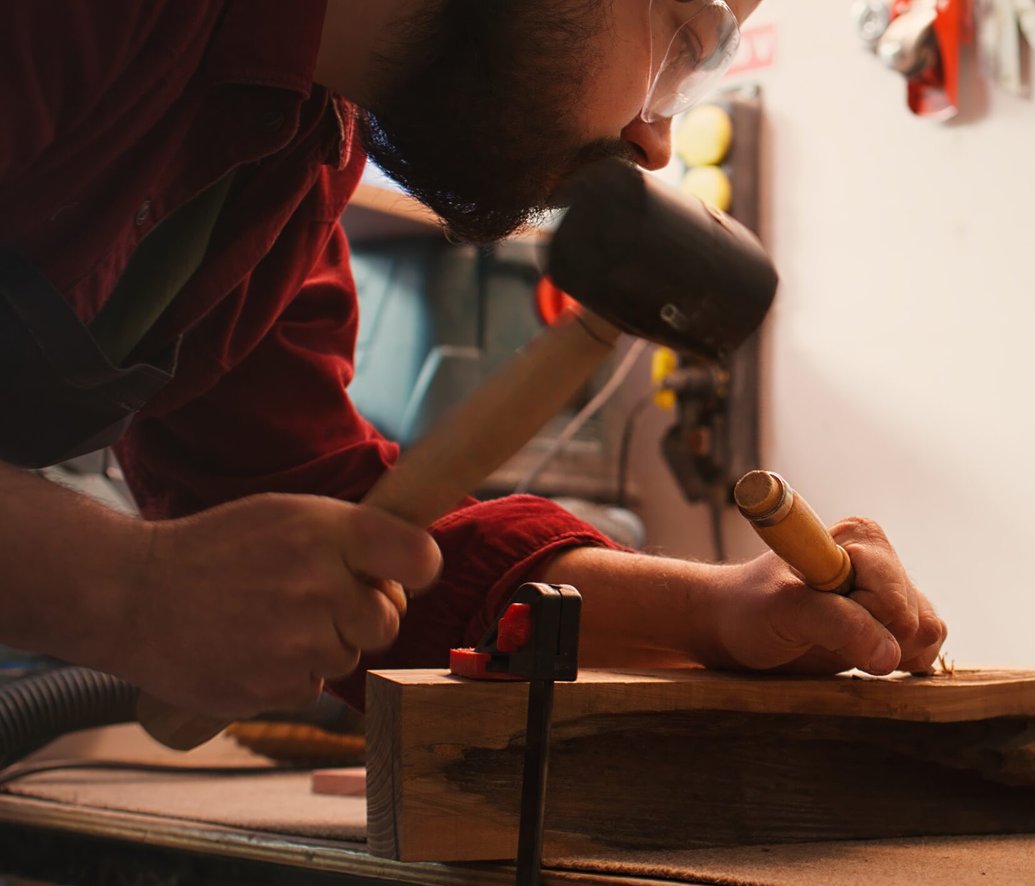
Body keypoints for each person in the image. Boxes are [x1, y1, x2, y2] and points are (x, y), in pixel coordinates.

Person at [0, 0, 946, 719]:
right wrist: (128, 589)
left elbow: (323, 516)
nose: (657, 143)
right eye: (684, 49)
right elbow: (184, 577)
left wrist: (707, 614)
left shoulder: (296, 156)